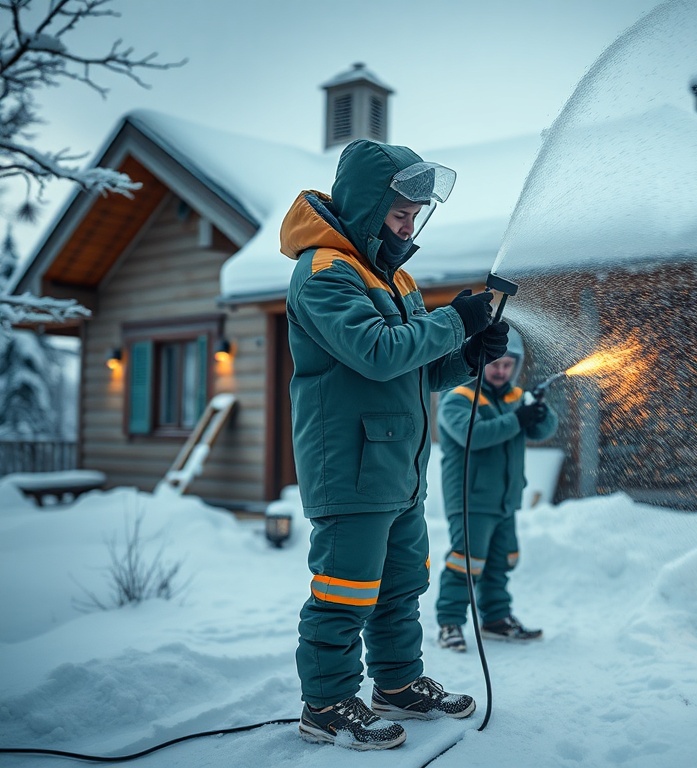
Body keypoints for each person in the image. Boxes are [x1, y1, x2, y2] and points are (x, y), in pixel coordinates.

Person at [280, 138, 509, 751]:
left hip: (399, 463)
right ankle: (326, 704)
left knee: (401, 582)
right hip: (349, 463)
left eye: (415, 216)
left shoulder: (396, 277)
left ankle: (398, 685)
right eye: (399, 214)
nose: (408, 227)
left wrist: (466, 354)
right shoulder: (324, 273)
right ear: (366, 206)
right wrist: (455, 321)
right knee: (345, 588)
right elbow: (379, 353)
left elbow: (417, 370)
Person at [434, 326, 559, 652]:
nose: (501, 371)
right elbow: (472, 435)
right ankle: (449, 624)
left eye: (508, 364)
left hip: (506, 496)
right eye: (495, 363)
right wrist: (519, 419)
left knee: (501, 560)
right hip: (470, 497)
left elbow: (543, 430)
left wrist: (539, 412)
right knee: (466, 561)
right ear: (480, 361)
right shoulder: (457, 398)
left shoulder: (515, 397)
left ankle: (496, 620)